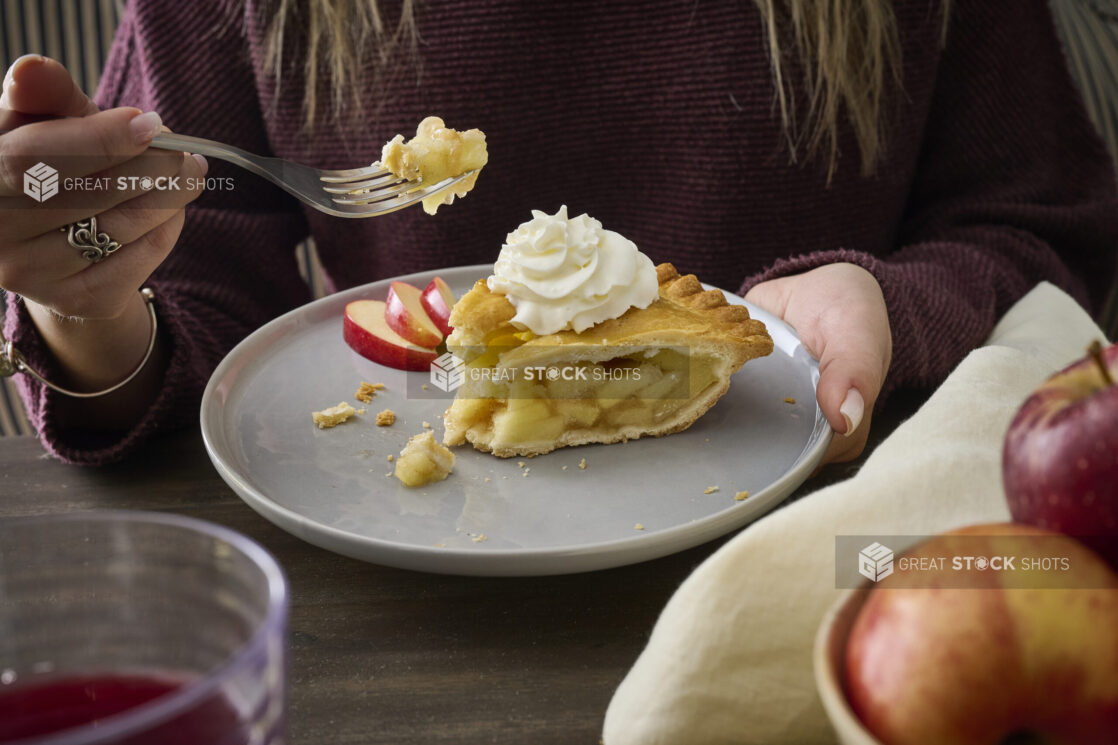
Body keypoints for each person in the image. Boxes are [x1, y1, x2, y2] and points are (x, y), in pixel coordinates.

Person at [1, 0, 1114, 466]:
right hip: (393, 593)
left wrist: (893, 305)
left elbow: (1037, 224)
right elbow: (185, 309)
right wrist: (84, 305)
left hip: (829, 550)